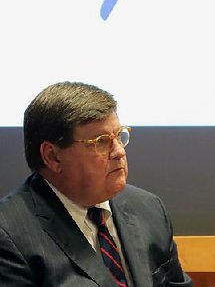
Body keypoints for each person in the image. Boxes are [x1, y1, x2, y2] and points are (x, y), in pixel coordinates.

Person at [0, 81, 193, 286]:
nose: (119, 151)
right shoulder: (9, 235)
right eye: (101, 141)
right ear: (53, 157)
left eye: (119, 136)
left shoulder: (149, 209)